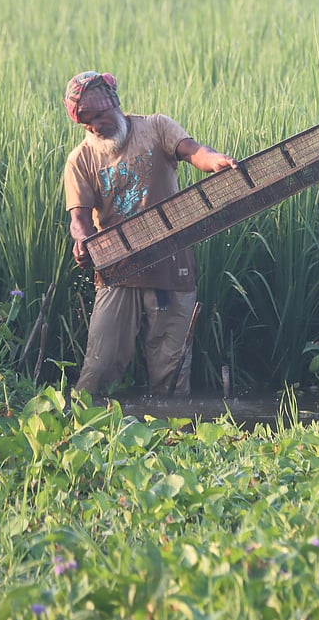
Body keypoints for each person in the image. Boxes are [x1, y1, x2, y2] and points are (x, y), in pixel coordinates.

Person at [62, 70, 238, 395]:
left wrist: (214, 160)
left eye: (100, 116)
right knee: (100, 366)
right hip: (117, 269)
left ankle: (173, 436)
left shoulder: (156, 127)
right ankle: (86, 429)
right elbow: (80, 219)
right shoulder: (81, 160)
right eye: (87, 123)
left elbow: (192, 151)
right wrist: (82, 241)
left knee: (170, 371)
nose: (97, 126)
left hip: (171, 264)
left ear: (115, 104)